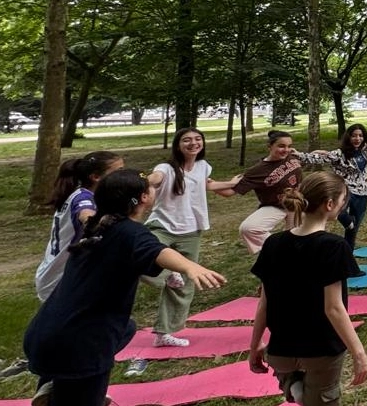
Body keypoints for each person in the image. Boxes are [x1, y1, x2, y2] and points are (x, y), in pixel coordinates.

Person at [23, 169, 225, 406]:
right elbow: (157, 251)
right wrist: (190, 265)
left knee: (127, 328)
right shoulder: (130, 232)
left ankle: (55, 388)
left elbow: (142, 258)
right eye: (148, 188)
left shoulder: (98, 226)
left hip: (48, 333)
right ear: (142, 199)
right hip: (81, 345)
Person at [248, 171, 367, 406]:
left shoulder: (274, 244)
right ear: (330, 205)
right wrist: (359, 352)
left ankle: (294, 386)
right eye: (343, 200)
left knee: (305, 396)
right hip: (322, 352)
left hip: (282, 351)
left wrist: (255, 344)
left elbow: (264, 301)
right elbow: (334, 308)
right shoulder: (333, 247)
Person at [143, 129, 231, 347]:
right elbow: (155, 178)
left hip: (192, 229)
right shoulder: (166, 168)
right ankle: (167, 274)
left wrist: (233, 183)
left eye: (198, 139)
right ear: (178, 144)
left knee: (185, 283)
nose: (193, 143)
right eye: (187, 140)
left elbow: (207, 184)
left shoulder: (203, 166)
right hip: (162, 225)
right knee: (141, 258)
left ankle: (164, 333)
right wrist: (144, 180)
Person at [35, 151, 124, 302]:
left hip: (58, 275)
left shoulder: (82, 194)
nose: (123, 176)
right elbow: (85, 214)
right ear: (96, 177)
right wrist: (100, 221)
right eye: (119, 171)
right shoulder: (83, 198)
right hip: (60, 279)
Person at [217, 130, 304, 254]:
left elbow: (309, 158)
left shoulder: (292, 156)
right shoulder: (257, 170)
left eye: (289, 146)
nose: (286, 150)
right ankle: (277, 248)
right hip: (276, 206)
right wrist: (209, 184)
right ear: (269, 146)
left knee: (297, 242)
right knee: (248, 228)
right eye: (281, 146)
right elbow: (229, 192)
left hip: (298, 205)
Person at [296, 124, 367, 248]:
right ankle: (348, 222)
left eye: (360, 136)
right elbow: (318, 159)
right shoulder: (339, 153)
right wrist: (299, 155)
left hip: (362, 193)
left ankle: (348, 253)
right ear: (348, 137)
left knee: (353, 228)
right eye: (354, 136)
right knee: (340, 214)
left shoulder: (363, 150)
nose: (357, 139)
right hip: (346, 190)